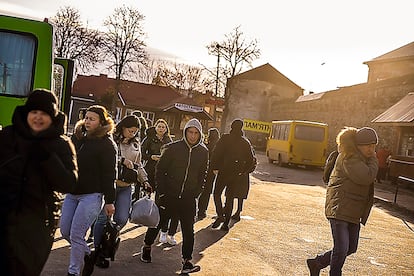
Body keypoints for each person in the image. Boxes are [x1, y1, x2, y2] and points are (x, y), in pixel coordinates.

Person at [0, 89, 78, 276]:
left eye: (44, 113)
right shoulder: (6, 137)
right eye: (34, 112)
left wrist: (48, 159)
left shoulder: (61, 145)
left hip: (36, 225)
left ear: (53, 117)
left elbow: (69, 184)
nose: (37, 117)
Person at [306, 126, 379, 276]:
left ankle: (317, 263)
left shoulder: (361, 157)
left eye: (374, 147)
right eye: (369, 147)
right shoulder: (350, 157)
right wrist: (374, 159)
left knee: (351, 247)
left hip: (352, 209)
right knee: (341, 248)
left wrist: (370, 158)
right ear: (358, 146)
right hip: (340, 207)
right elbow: (366, 177)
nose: (372, 150)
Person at [140, 118, 208, 274]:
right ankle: (147, 245)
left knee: (188, 230)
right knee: (158, 222)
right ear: (185, 132)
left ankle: (187, 261)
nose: (192, 136)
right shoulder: (173, 148)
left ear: (200, 134)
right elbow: (160, 170)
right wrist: (162, 192)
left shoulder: (203, 151)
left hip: (188, 198)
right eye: (190, 132)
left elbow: (203, 174)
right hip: (169, 194)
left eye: (196, 133)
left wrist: (197, 191)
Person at [60, 105, 117, 276]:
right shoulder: (77, 137)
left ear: (101, 122)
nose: (87, 121)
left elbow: (109, 174)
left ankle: (74, 272)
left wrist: (109, 201)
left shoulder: (107, 144)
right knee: (65, 232)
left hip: (92, 195)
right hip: (72, 193)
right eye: (86, 118)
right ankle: (89, 254)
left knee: (77, 234)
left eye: (92, 119)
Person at [93, 115, 152, 268]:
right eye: (130, 131)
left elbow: (138, 165)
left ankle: (109, 240)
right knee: (102, 218)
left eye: (135, 132)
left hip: (126, 186)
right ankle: (98, 248)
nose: (132, 134)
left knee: (122, 218)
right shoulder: (111, 139)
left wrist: (145, 180)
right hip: (110, 185)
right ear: (123, 127)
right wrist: (121, 160)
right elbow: (103, 157)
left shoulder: (136, 144)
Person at [210, 119, 256, 230]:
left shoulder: (225, 138)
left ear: (231, 126)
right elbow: (251, 159)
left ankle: (220, 215)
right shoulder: (245, 142)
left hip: (223, 172)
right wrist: (243, 171)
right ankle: (226, 224)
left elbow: (216, 153)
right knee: (229, 197)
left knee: (217, 194)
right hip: (236, 174)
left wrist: (214, 167)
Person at [141, 118, 178, 245]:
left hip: (163, 172)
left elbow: (172, 155)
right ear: (155, 127)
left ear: (166, 129)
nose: (161, 129)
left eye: (163, 127)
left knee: (160, 198)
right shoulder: (149, 138)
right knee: (147, 194)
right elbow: (141, 153)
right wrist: (151, 156)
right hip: (150, 169)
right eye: (159, 126)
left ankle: (157, 222)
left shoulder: (169, 140)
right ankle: (145, 216)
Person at [197, 127, 220, 220]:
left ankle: (197, 209)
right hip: (212, 172)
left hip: (203, 170)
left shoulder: (205, 145)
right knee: (207, 191)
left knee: (200, 189)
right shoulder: (218, 146)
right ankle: (202, 211)